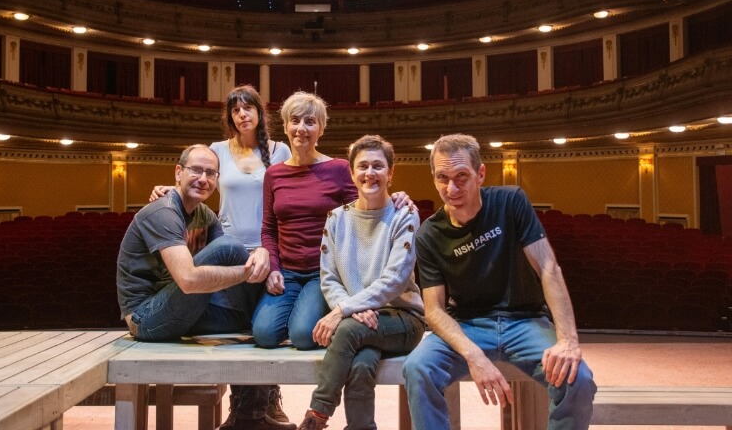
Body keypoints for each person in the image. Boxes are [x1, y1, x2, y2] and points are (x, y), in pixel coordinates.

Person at [402, 134, 597, 430]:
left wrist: (568, 341)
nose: (451, 188)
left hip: (525, 321)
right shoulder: (429, 234)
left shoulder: (511, 201)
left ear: (480, 174)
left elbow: (548, 267)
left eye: (461, 176)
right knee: (418, 368)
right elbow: (434, 310)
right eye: (442, 178)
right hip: (467, 325)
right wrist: (474, 356)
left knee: (578, 378)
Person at [148, 85, 295, 429]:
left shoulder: (280, 150)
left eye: (248, 108)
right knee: (238, 326)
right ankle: (242, 404)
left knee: (262, 325)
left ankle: (268, 399)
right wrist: (169, 189)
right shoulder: (217, 150)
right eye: (235, 110)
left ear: (260, 112)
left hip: (269, 249)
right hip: (227, 250)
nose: (242, 114)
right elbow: (197, 180)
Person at [118, 144, 289, 430]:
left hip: (182, 308)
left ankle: (250, 416)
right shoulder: (163, 212)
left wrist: (263, 256)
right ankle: (257, 407)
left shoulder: (204, 215)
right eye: (196, 170)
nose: (203, 179)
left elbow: (235, 261)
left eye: (211, 173)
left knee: (249, 321)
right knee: (229, 247)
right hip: (146, 317)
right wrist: (250, 272)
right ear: (178, 172)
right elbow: (188, 279)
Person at [252, 92, 413, 351]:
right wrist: (273, 267)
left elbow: (363, 209)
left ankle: (325, 314)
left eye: (310, 122)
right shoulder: (274, 174)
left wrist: (395, 198)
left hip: (325, 272)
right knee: (264, 335)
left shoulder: (338, 169)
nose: (301, 128)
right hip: (287, 271)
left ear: (321, 129)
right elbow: (268, 228)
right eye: (295, 120)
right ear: (285, 126)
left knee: (303, 336)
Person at [298, 135, 426, 430]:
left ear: (390, 173)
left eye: (378, 166)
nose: (370, 173)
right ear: (352, 173)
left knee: (348, 331)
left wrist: (344, 311)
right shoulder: (336, 219)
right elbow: (329, 278)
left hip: (403, 319)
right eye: (363, 166)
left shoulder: (404, 215)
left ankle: (317, 415)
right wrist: (350, 308)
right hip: (359, 321)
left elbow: (394, 280)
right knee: (360, 364)